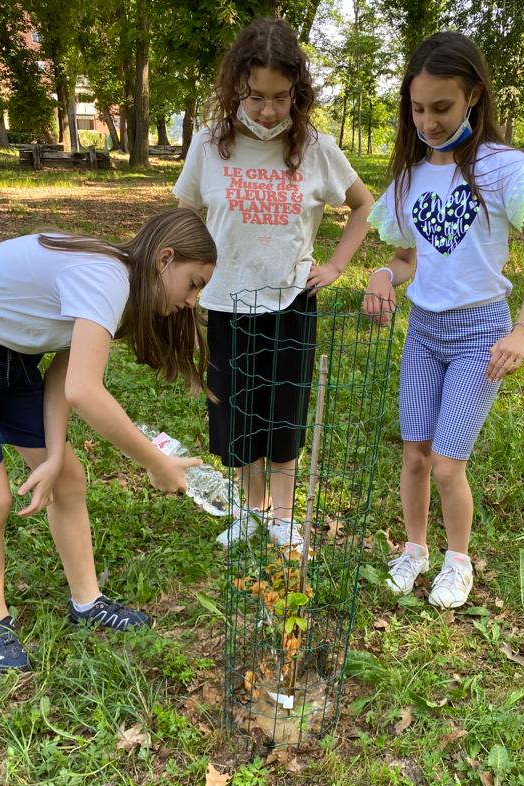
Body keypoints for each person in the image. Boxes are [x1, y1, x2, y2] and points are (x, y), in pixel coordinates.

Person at [0, 209, 216, 672]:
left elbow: (64, 376)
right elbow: (86, 391)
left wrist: (52, 456)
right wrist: (156, 462)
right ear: (165, 260)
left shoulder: (117, 284)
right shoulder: (106, 278)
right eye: (194, 282)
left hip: (9, 351)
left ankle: (87, 602)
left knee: (68, 478)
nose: (193, 300)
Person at [364, 31, 524, 609]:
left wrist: (521, 330)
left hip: (480, 334)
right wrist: (381, 276)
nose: (428, 121)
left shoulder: (503, 170)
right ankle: (415, 549)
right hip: (423, 331)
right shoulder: (409, 178)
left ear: (472, 95)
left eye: (441, 107)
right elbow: (406, 260)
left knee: (449, 464)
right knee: (415, 453)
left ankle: (457, 560)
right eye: (418, 109)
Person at [173, 16, 373, 550]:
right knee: (237, 415)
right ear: (236, 86)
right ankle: (251, 509)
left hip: (290, 302)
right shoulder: (208, 144)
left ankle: (283, 516)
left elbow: (362, 206)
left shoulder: (315, 148)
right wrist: (186, 286)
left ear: (297, 92)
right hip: (226, 302)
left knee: (283, 412)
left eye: (280, 97)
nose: (267, 110)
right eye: (255, 96)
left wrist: (335, 267)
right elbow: (185, 215)